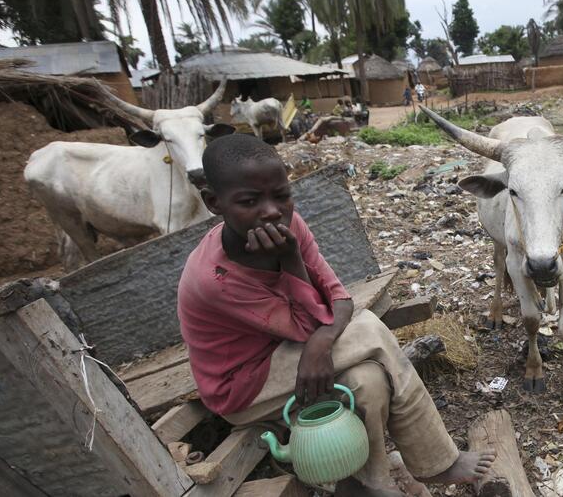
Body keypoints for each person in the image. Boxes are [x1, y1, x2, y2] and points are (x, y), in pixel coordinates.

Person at [177, 134, 495, 496]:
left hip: (291, 349)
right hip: (245, 383)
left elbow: (339, 297)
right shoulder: (215, 279)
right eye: (249, 201)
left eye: (281, 196)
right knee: (370, 331)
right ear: (214, 203)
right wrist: (292, 262)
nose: (270, 210)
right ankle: (439, 462)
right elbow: (313, 323)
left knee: (367, 379)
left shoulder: (288, 224)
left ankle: (366, 484)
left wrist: (320, 344)